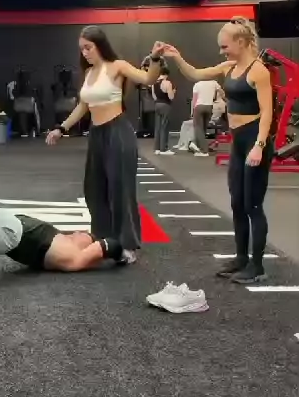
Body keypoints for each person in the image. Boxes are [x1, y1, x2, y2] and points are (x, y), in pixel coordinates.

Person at [164, 16, 274, 284]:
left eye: (225, 46)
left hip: (254, 139)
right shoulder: (229, 67)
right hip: (238, 141)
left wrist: (259, 146)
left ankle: (257, 266)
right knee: (237, 203)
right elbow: (195, 74)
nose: (221, 51)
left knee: (253, 204)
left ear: (241, 42)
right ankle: (241, 258)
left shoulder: (259, 71)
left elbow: (267, 112)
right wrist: (177, 57)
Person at [46, 26, 165, 263]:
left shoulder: (117, 66)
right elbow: (83, 106)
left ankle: (127, 244)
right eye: (82, 49)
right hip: (97, 134)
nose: (85, 53)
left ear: (100, 45)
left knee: (120, 190)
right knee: (94, 189)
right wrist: (61, 128)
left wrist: (154, 58)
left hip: (117, 132)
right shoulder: (89, 73)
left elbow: (148, 79)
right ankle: (105, 240)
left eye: (88, 48)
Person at [190, 78, 222, 156]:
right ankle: (198, 146)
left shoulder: (197, 84)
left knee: (198, 128)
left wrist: (192, 112)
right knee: (203, 128)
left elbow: (194, 99)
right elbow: (222, 92)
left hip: (199, 107)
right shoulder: (214, 83)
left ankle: (203, 151)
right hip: (209, 107)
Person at [152, 67, 175, 155]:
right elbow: (171, 97)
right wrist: (173, 92)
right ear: (166, 74)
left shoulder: (154, 83)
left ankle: (157, 148)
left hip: (157, 105)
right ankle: (163, 149)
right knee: (164, 126)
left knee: (157, 127)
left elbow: (154, 96)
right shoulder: (167, 83)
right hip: (165, 105)